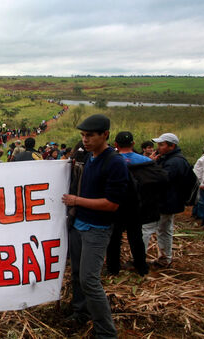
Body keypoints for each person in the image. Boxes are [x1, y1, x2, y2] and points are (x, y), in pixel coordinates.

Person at [61, 114, 126, 338]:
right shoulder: (90, 158)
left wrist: (76, 201)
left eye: (90, 136)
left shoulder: (115, 163)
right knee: (78, 274)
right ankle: (81, 312)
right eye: (83, 136)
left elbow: (111, 204)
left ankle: (106, 332)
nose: (85, 140)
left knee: (89, 280)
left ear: (105, 135)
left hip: (97, 230)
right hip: (80, 225)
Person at [143, 133, 191, 267]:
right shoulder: (171, 159)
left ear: (172, 146)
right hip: (169, 202)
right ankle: (165, 259)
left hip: (163, 202)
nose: (157, 148)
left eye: (161, 144)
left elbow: (160, 180)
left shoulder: (174, 162)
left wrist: (150, 165)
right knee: (164, 229)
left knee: (146, 228)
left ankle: (139, 260)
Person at [106, 131, 151, 276]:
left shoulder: (111, 160)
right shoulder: (144, 161)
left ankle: (113, 269)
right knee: (136, 237)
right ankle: (141, 267)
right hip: (135, 205)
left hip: (115, 205)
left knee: (114, 238)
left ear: (115, 145)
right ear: (133, 144)